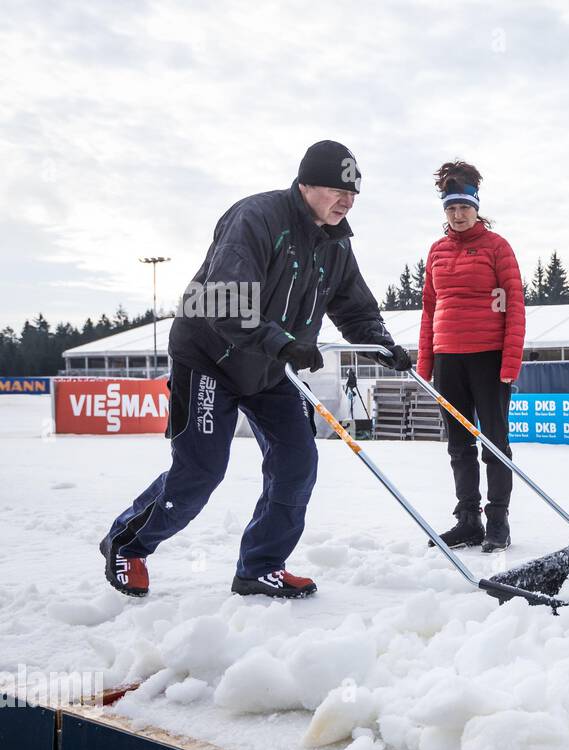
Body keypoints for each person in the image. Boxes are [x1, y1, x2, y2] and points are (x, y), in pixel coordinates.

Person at [101, 141, 411, 599]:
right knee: (200, 471)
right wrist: (281, 343)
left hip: (268, 368)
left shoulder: (336, 245)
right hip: (209, 357)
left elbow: (355, 307)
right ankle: (127, 543)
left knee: (297, 461)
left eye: (354, 193)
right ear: (306, 184)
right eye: (337, 190)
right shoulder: (256, 219)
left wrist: (380, 344)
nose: (347, 201)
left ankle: (260, 566)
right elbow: (224, 301)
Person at [417, 161, 525, 552]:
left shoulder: (498, 248)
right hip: (448, 357)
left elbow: (515, 307)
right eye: (450, 208)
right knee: (458, 444)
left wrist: (510, 363)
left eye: (464, 207)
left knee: (494, 442)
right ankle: (468, 520)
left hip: (489, 357)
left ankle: (498, 520)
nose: (458, 215)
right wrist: (425, 363)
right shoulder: (437, 251)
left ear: (476, 207)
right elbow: (429, 309)